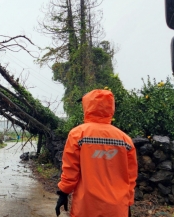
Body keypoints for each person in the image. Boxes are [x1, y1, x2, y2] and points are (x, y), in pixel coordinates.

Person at [55, 89, 138, 217]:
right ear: (111, 107)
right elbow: (130, 177)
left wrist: (63, 192)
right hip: (116, 208)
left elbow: (71, 170)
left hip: (86, 206)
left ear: (87, 106)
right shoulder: (125, 139)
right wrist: (128, 203)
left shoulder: (78, 134)